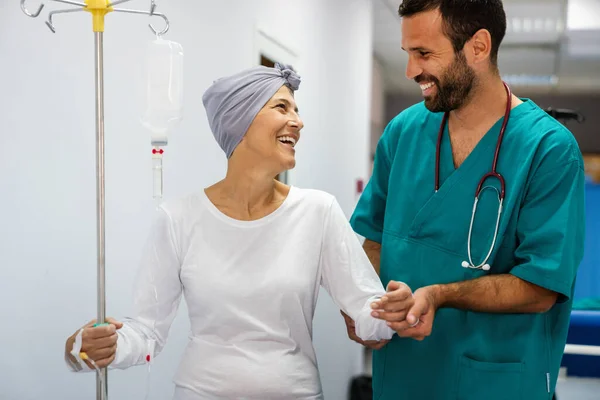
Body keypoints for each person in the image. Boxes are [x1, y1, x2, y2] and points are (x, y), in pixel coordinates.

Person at [63, 63, 399, 399]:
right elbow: (146, 333)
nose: (298, 122)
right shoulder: (179, 218)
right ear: (240, 120)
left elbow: (367, 308)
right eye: (282, 107)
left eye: (296, 110)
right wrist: (91, 347)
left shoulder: (318, 212)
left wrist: (396, 312)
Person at [343, 1, 586, 399]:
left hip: (494, 381)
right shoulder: (402, 133)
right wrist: (363, 304)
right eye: (408, 54)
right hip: (402, 377)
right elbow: (373, 237)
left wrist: (440, 295)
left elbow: (542, 287)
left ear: (478, 46)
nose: (410, 71)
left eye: (424, 54)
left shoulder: (548, 150)